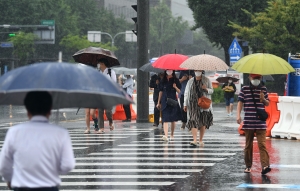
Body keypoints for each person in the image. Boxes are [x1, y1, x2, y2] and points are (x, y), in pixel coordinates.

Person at [0, 91, 75, 191]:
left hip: (22, 188)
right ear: (49, 110)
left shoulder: (14, 132)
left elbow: (4, 165)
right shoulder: (61, 133)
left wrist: (9, 179)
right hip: (49, 187)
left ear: (27, 110)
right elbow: (68, 165)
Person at [236, 73, 271, 174]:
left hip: (260, 122)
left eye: (258, 78)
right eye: (254, 78)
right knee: (248, 145)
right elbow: (240, 102)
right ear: (249, 77)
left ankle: (265, 166)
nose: (256, 79)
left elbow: (268, 103)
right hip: (248, 121)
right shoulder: (245, 89)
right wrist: (238, 115)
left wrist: (263, 99)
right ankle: (248, 166)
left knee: (262, 145)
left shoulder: (263, 89)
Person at [184, 70, 214, 146]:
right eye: (196, 70)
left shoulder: (206, 80)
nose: (197, 71)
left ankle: (200, 140)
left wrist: (206, 89)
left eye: (199, 70)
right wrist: (185, 104)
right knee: (193, 120)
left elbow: (212, 90)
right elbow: (186, 92)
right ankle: (194, 140)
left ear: (202, 71)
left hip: (203, 103)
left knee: (203, 121)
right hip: (192, 104)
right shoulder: (190, 81)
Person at [156, 70, 182, 142]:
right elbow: (160, 91)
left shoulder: (175, 80)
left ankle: (172, 134)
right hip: (165, 101)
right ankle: (166, 135)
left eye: (170, 70)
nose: (169, 71)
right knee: (165, 118)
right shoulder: (163, 80)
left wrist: (175, 87)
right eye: (167, 69)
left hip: (173, 100)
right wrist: (158, 102)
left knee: (173, 119)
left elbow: (179, 91)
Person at [97, 58, 117, 133]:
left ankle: (111, 122)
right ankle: (101, 128)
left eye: (99, 63)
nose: (98, 65)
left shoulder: (111, 72)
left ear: (103, 64)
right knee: (100, 111)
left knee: (108, 111)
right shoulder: (98, 72)